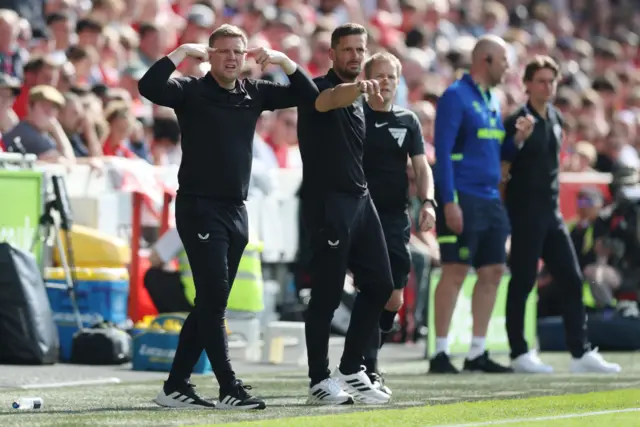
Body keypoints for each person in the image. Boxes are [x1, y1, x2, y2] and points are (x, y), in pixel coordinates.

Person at [138, 24, 318, 410]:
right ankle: (228, 387)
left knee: (209, 302)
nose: (232, 57)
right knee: (215, 301)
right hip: (199, 206)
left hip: (236, 209)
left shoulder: (253, 92)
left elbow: (308, 94)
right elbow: (148, 87)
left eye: (239, 50)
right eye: (223, 51)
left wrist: (284, 61)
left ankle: (175, 386)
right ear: (210, 54)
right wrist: (182, 50)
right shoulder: (191, 90)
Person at [502, 55, 621, 374]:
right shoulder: (517, 119)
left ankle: (580, 352)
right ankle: (518, 352)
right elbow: (503, 165)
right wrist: (517, 140)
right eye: (540, 80)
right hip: (526, 213)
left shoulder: (555, 117)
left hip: (551, 214)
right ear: (526, 84)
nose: (546, 86)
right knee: (524, 281)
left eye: (551, 80)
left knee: (571, 278)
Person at [297, 23, 394, 405]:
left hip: (359, 199)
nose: (354, 55)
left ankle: (351, 367)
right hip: (328, 204)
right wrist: (358, 90)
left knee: (381, 285)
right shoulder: (319, 89)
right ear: (332, 54)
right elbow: (328, 100)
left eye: (360, 49)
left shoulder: (361, 97)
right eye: (348, 49)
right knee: (326, 294)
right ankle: (319, 379)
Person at [430, 35, 513, 374]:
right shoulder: (454, 96)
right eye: (504, 60)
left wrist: (517, 141)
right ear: (487, 60)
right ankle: (440, 352)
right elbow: (444, 154)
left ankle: (478, 351)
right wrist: (448, 201)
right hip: (462, 196)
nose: (508, 67)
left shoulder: (494, 99)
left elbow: (494, 153)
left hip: (491, 199)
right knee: (455, 271)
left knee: (493, 271)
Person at [360, 52, 436, 394]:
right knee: (371, 289)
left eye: (392, 76)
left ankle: (368, 351)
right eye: (380, 75)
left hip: (395, 217)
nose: (387, 82)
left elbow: (421, 167)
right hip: (361, 216)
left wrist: (429, 202)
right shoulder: (354, 116)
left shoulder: (408, 120)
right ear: (368, 79)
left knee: (393, 299)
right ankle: (367, 367)